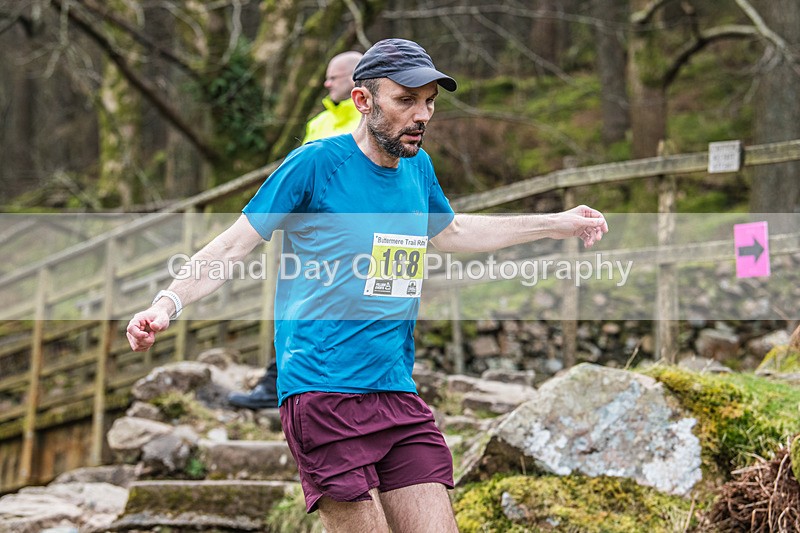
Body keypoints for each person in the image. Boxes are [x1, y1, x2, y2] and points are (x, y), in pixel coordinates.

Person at [127, 38, 608, 532]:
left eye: (429, 102)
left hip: (395, 391)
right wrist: (167, 303)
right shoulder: (315, 164)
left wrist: (556, 223)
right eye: (406, 100)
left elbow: (453, 232)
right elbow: (232, 246)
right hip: (323, 393)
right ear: (363, 100)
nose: (422, 115)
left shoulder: (418, 168)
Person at [227, 50, 364, 410]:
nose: (326, 83)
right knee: (293, 304)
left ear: (355, 79)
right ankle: (276, 383)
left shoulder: (372, 120)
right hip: (309, 235)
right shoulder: (318, 122)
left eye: (334, 77)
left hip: (352, 234)